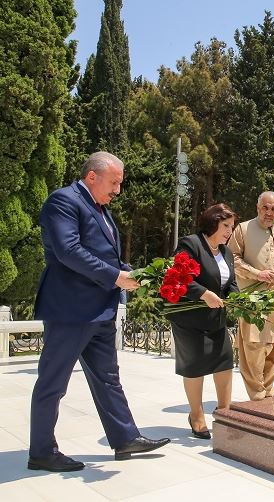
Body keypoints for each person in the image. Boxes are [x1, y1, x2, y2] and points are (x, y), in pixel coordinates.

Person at [29, 152, 169, 472]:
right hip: (70, 310)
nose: (118, 190)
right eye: (115, 182)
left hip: (100, 310)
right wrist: (116, 277)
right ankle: (41, 451)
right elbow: (69, 251)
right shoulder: (62, 202)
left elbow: (105, 256)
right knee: (54, 382)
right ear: (93, 176)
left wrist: (134, 273)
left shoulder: (100, 209)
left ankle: (124, 438)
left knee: (108, 379)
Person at [167, 203, 239, 440]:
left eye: (232, 227)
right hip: (190, 319)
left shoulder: (227, 252)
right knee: (195, 365)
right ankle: (196, 415)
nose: (230, 231)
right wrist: (203, 294)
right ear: (213, 222)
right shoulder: (192, 244)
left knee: (225, 362)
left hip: (216, 319)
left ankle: (225, 413)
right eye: (226, 226)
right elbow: (176, 275)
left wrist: (238, 300)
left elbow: (231, 284)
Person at [228, 191, 274, 401]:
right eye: (265, 208)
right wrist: (257, 273)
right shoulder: (242, 229)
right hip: (253, 299)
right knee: (254, 345)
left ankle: (268, 389)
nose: (269, 212)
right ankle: (256, 392)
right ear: (258, 207)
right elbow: (231, 258)